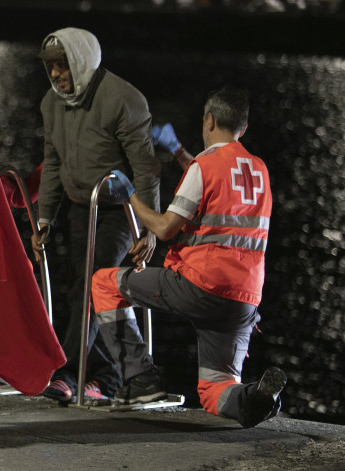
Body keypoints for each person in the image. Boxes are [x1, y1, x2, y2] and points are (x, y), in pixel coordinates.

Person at [95, 88, 285, 427]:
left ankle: (140, 380)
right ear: (243, 127)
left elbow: (166, 229)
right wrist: (179, 151)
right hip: (244, 301)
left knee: (105, 284)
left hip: (199, 285)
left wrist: (130, 196)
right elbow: (216, 188)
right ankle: (257, 397)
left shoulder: (205, 166)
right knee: (214, 389)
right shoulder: (260, 171)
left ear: (209, 120)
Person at [29, 27, 162, 404]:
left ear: (82, 60)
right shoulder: (51, 104)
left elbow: (146, 168)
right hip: (79, 207)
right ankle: (105, 376)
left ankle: (69, 372)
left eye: (62, 65)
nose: (56, 74)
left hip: (120, 211)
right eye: (51, 67)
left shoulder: (123, 99)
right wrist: (44, 218)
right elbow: (52, 163)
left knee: (94, 281)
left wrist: (148, 227)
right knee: (78, 291)